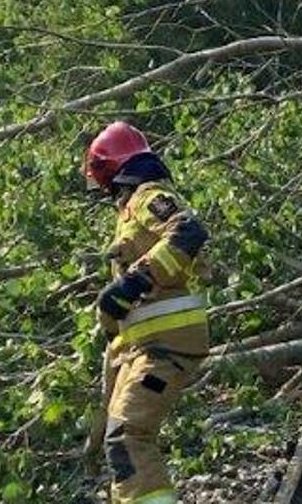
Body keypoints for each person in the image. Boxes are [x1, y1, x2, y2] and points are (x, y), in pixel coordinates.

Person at [84, 121, 213, 504]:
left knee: (129, 435)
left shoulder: (146, 195)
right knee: (118, 438)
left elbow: (189, 231)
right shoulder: (128, 213)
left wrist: (133, 282)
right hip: (145, 348)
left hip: (166, 348)